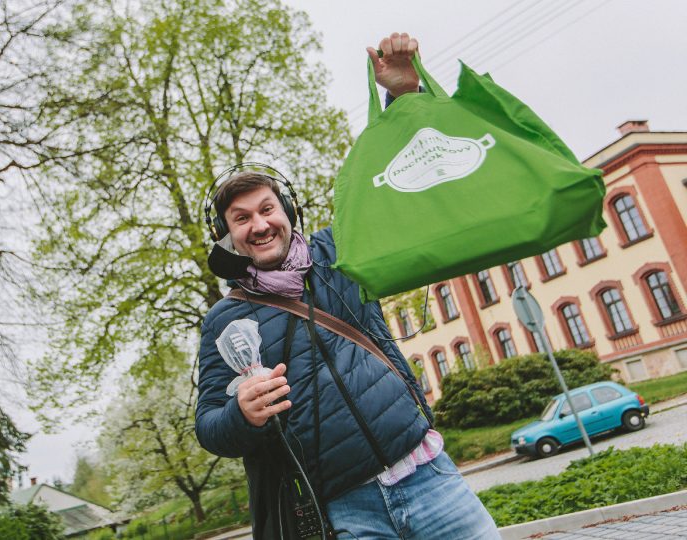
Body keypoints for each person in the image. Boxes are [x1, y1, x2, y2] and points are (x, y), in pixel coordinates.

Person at [195, 33, 501, 539]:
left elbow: (408, 184)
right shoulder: (225, 320)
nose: (260, 224)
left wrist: (403, 94)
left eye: (267, 208)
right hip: (343, 510)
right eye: (242, 218)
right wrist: (242, 414)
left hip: (429, 478)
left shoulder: (340, 250)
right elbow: (210, 426)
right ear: (229, 236)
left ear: (287, 211)